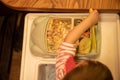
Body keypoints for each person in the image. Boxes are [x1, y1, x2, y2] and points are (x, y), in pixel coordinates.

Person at [55, 10, 113, 80]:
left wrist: (90, 21)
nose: (83, 61)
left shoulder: (64, 72)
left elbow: (68, 41)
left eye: (81, 65)